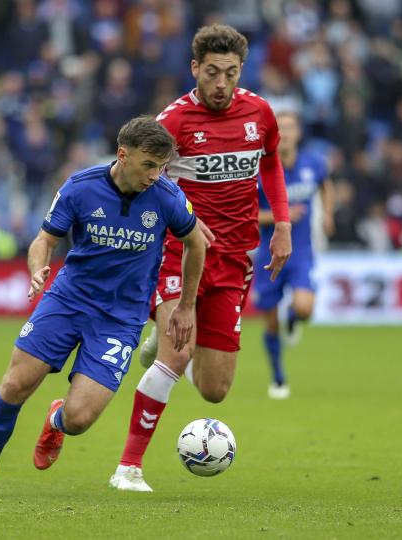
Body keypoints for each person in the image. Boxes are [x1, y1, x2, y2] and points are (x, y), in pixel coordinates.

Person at [0, 116, 205, 498]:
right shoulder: (80, 187)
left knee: (79, 418)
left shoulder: (166, 197)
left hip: (120, 318)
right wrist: (38, 270)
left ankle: (56, 419)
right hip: (68, 300)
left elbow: (196, 243)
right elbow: (43, 240)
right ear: (123, 154)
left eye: (162, 166)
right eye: (149, 165)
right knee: (15, 384)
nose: (155, 175)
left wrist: (186, 305)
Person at [109, 24, 291, 492]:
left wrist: (283, 225)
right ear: (195, 68)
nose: (221, 83)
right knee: (178, 351)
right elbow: (142, 177)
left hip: (235, 259)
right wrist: (177, 221)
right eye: (212, 72)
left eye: (230, 73)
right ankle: (128, 468)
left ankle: (163, 337)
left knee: (215, 390)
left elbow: (270, 162)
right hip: (178, 254)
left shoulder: (260, 113)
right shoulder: (173, 122)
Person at [253, 110, 334, 399]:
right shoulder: (261, 167)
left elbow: (325, 184)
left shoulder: (313, 163)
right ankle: (277, 377)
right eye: (280, 128)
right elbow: (246, 214)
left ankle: (293, 318)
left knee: (304, 308)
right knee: (269, 323)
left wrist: (327, 214)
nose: (285, 133)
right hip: (268, 255)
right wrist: (279, 218)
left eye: (290, 128)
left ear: (299, 132)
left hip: (301, 252)